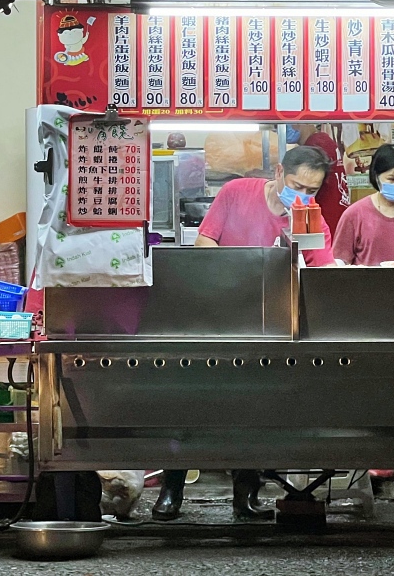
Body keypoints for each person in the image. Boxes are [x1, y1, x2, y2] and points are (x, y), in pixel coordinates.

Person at [152, 146, 336, 523]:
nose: (303, 195)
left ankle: (246, 494)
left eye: (312, 190)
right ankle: (172, 489)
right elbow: (205, 244)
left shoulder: (310, 220)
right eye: (298, 185)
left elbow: (323, 275)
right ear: (280, 172)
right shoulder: (237, 193)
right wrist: (234, 279)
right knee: (190, 405)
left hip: (269, 328)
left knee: (253, 409)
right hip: (216, 317)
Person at [302, 130, 350, 234]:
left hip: (326, 214)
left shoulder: (316, 143)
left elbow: (309, 180)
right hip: (337, 211)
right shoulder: (324, 140)